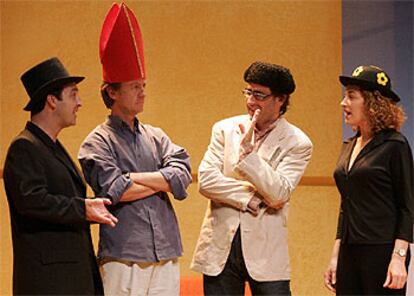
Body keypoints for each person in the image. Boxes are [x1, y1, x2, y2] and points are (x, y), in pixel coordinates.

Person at [78, 3, 192, 296]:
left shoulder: (156, 135)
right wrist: (159, 180)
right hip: (123, 252)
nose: (143, 92)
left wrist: (135, 177)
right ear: (112, 91)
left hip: (166, 249)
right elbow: (115, 190)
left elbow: (181, 178)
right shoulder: (97, 141)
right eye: (134, 86)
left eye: (143, 85)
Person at [191, 61, 313, 295]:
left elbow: (279, 194)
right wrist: (250, 198)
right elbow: (206, 181)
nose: (250, 100)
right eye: (248, 92)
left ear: (281, 99)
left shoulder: (297, 142)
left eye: (259, 95)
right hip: (220, 247)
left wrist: (250, 157)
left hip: (267, 251)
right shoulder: (225, 129)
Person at [3, 57, 118, 295]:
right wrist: (83, 208)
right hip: (49, 282)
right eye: (73, 94)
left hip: (70, 278)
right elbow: (32, 201)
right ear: (52, 100)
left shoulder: (51, 146)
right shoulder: (24, 147)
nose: (80, 102)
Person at [324, 65, 414, 295]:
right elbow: (347, 205)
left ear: (373, 104)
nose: (343, 103)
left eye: (351, 96)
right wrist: (336, 254)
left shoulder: (395, 145)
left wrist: (399, 258)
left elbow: (407, 206)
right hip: (349, 249)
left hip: (382, 250)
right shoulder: (348, 146)